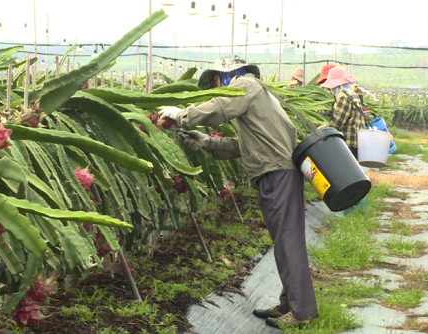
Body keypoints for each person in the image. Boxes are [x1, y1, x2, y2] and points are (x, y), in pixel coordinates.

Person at [158, 56, 319, 329]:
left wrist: (179, 113)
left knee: (288, 243)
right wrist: (208, 142)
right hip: (276, 173)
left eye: (216, 82)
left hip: (277, 174)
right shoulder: (257, 95)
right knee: (284, 241)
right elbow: (244, 146)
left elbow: (219, 108)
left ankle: (301, 312)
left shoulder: (246, 85)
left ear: (227, 75)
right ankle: (288, 305)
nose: (218, 88)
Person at [320, 66, 370, 214]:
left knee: (347, 178)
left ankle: (351, 210)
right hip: (357, 140)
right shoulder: (353, 93)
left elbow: (338, 122)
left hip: (348, 141)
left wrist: (325, 127)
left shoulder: (343, 96)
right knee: (354, 176)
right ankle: (360, 207)